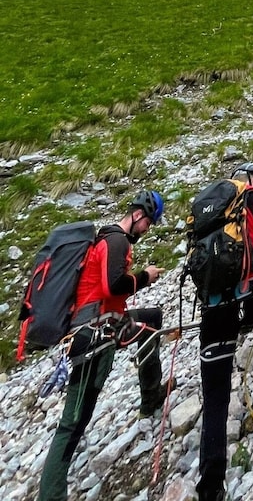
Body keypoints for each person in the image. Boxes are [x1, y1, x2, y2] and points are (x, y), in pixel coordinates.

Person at [38, 190, 168, 501]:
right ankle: (51, 494)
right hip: (92, 335)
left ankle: (151, 396)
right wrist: (145, 277)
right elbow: (113, 285)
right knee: (74, 421)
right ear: (138, 215)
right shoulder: (117, 240)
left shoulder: (106, 239)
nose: (148, 228)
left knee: (151, 320)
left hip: (106, 323)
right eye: (149, 221)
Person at [197, 162, 253, 501]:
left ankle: (210, 483)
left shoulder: (208, 205)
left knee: (216, 394)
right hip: (251, 291)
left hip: (213, 305)